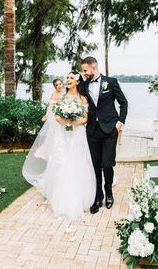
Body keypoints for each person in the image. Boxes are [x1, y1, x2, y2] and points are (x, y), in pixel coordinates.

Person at [23, 72, 96, 220]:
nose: (67, 80)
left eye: (71, 78)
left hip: (77, 134)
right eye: (67, 77)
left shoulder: (83, 98)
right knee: (61, 162)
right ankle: (60, 197)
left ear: (77, 81)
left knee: (77, 162)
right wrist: (65, 121)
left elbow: (85, 118)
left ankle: (78, 197)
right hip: (62, 134)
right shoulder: (62, 97)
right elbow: (56, 116)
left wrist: (74, 122)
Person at [81, 56, 128, 214]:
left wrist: (120, 123)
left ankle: (109, 192)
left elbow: (124, 103)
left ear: (93, 68)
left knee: (106, 164)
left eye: (85, 70)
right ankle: (97, 197)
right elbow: (73, 94)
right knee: (95, 166)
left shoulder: (111, 82)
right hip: (92, 131)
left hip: (110, 130)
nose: (84, 73)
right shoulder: (84, 84)